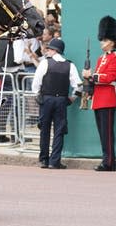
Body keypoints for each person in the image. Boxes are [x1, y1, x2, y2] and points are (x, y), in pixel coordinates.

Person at [32, 38, 81, 169]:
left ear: (54, 50)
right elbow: (79, 86)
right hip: (61, 100)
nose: (47, 51)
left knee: (44, 130)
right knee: (59, 130)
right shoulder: (70, 65)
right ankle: (55, 161)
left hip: (46, 99)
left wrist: (37, 95)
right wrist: (73, 98)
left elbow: (36, 83)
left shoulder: (45, 63)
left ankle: (43, 160)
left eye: (49, 49)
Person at [82, 16, 116, 172]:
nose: (101, 42)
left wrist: (91, 76)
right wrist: (88, 83)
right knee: (102, 133)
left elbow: (110, 77)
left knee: (107, 134)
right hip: (98, 99)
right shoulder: (101, 59)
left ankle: (109, 163)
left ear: (112, 42)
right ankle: (106, 159)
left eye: (104, 40)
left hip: (108, 99)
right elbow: (97, 78)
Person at [0, 38, 26, 142]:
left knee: (3, 105)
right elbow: (19, 59)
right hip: (17, 74)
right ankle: (16, 135)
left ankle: (0, 135)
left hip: (4, 74)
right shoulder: (18, 40)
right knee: (18, 105)